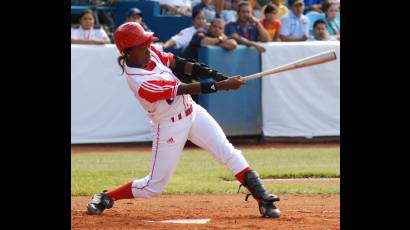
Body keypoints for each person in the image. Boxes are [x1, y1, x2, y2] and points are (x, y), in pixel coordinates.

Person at [86, 22, 281, 219]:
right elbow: (183, 88)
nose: (148, 48)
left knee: (228, 152)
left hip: (191, 111)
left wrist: (213, 74)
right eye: (142, 45)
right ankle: (106, 197)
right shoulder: (139, 81)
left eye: (146, 43)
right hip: (169, 126)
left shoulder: (148, 53)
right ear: (128, 52)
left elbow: (178, 63)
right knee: (153, 186)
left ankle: (264, 199)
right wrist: (220, 86)